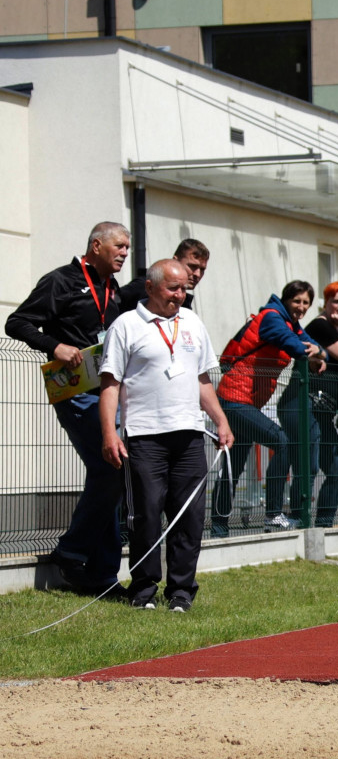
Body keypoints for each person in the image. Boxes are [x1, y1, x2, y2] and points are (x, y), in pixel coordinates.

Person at [98, 260, 233, 611]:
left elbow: (202, 380)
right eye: (173, 288)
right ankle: (143, 591)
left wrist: (220, 420)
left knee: (189, 517)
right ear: (150, 287)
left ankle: (181, 592)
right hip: (144, 436)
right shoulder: (125, 326)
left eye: (184, 288)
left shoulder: (192, 322)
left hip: (189, 433)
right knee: (145, 514)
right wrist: (110, 435)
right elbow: (110, 385)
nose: (180, 295)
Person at [5, 221, 131, 594]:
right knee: (113, 467)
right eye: (119, 246)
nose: (125, 253)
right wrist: (54, 346)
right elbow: (17, 322)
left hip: (106, 389)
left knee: (110, 473)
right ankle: (73, 552)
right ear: (96, 245)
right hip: (74, 390)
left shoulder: (113, 287)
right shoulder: (60, 281)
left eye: (127, 247)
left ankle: (101, 574)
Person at [211, 281, 327, 536]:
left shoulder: (291, 324)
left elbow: (319, 350)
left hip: (247, 402)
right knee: (281, 441)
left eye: (306, 303)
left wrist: (319, 352)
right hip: (234, 400)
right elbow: (296, 347)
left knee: (234, 465)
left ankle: (219, 528)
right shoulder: (273, 319)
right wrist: (314, 353)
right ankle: (273, 515)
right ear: (286, 300)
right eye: (297, 301)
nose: (301, 307)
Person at [278, 281, 338, 528]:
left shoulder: (336, 330)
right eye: (335, 301)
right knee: (309, 465)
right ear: (325, 304)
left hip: (323, 411)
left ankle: (323, 525)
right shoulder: (320, 326)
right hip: (303, 404)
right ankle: (297, 519)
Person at [118, 239, 210, 312]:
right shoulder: (142, 287)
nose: (197, 274)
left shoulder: (186, 307)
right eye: (192, 266)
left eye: (202, 269)